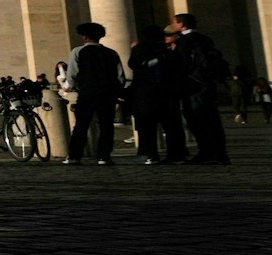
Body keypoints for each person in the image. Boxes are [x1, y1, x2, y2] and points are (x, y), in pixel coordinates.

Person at [170, 13, 230, 164]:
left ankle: (206, 153)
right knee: (212, 119)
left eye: (175, 23)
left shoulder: (184, 41)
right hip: (208, 84)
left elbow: (182, 65)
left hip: (192, 86)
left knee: (197, 119)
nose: (173, 26)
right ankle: (220, 153)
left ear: (182, 25)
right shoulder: (205, 38)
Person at [129, 24, 189, 165]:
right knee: (171, 125)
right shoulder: (168, 50)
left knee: (148, 126)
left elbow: (132, 65)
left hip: (146, 93)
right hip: (167, 93)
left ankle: (151, 155)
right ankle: (176, 154)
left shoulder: (139, 49)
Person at [64, 22, 124, 165]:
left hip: (87, 92)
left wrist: (69, 86)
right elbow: (120, 76)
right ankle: (104, 156)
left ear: (85, 37)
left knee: (81, 125)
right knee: (106, 125)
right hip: (107, 93)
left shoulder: (78, 52)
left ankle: (74, 156)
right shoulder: (111, 53)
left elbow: (72, 72)